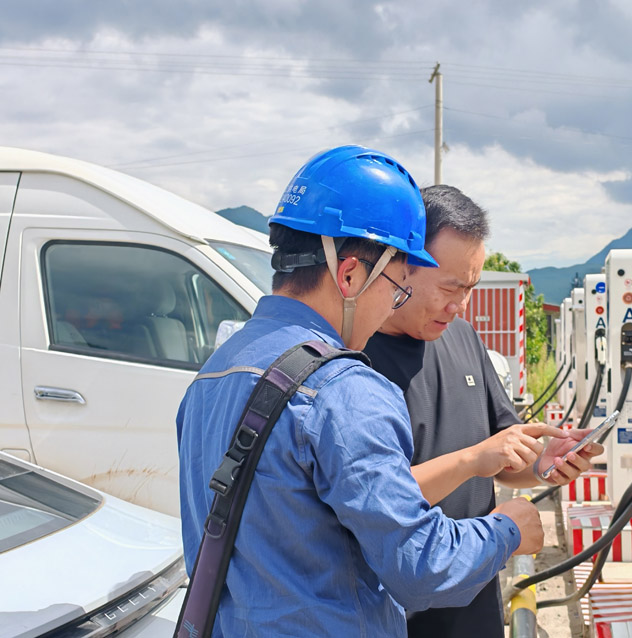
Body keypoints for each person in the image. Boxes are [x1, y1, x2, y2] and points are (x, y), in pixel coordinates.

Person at [176, 146, 549, 638]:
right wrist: (508, 530)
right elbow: (420, 566)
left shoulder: (213, 374)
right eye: (396, 286)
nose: (391, 306)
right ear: (351, 273)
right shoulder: (344, 391)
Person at [363, 184, 603, 638]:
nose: (459, 306)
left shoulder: (462, 337)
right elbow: (375, 499)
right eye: (449, 288)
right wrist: (475, 458)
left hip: (476, 597)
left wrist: (543, 464)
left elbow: (501, 453)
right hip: (399, 610)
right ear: (401, 267)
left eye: (470, 288)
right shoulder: (358, 362)